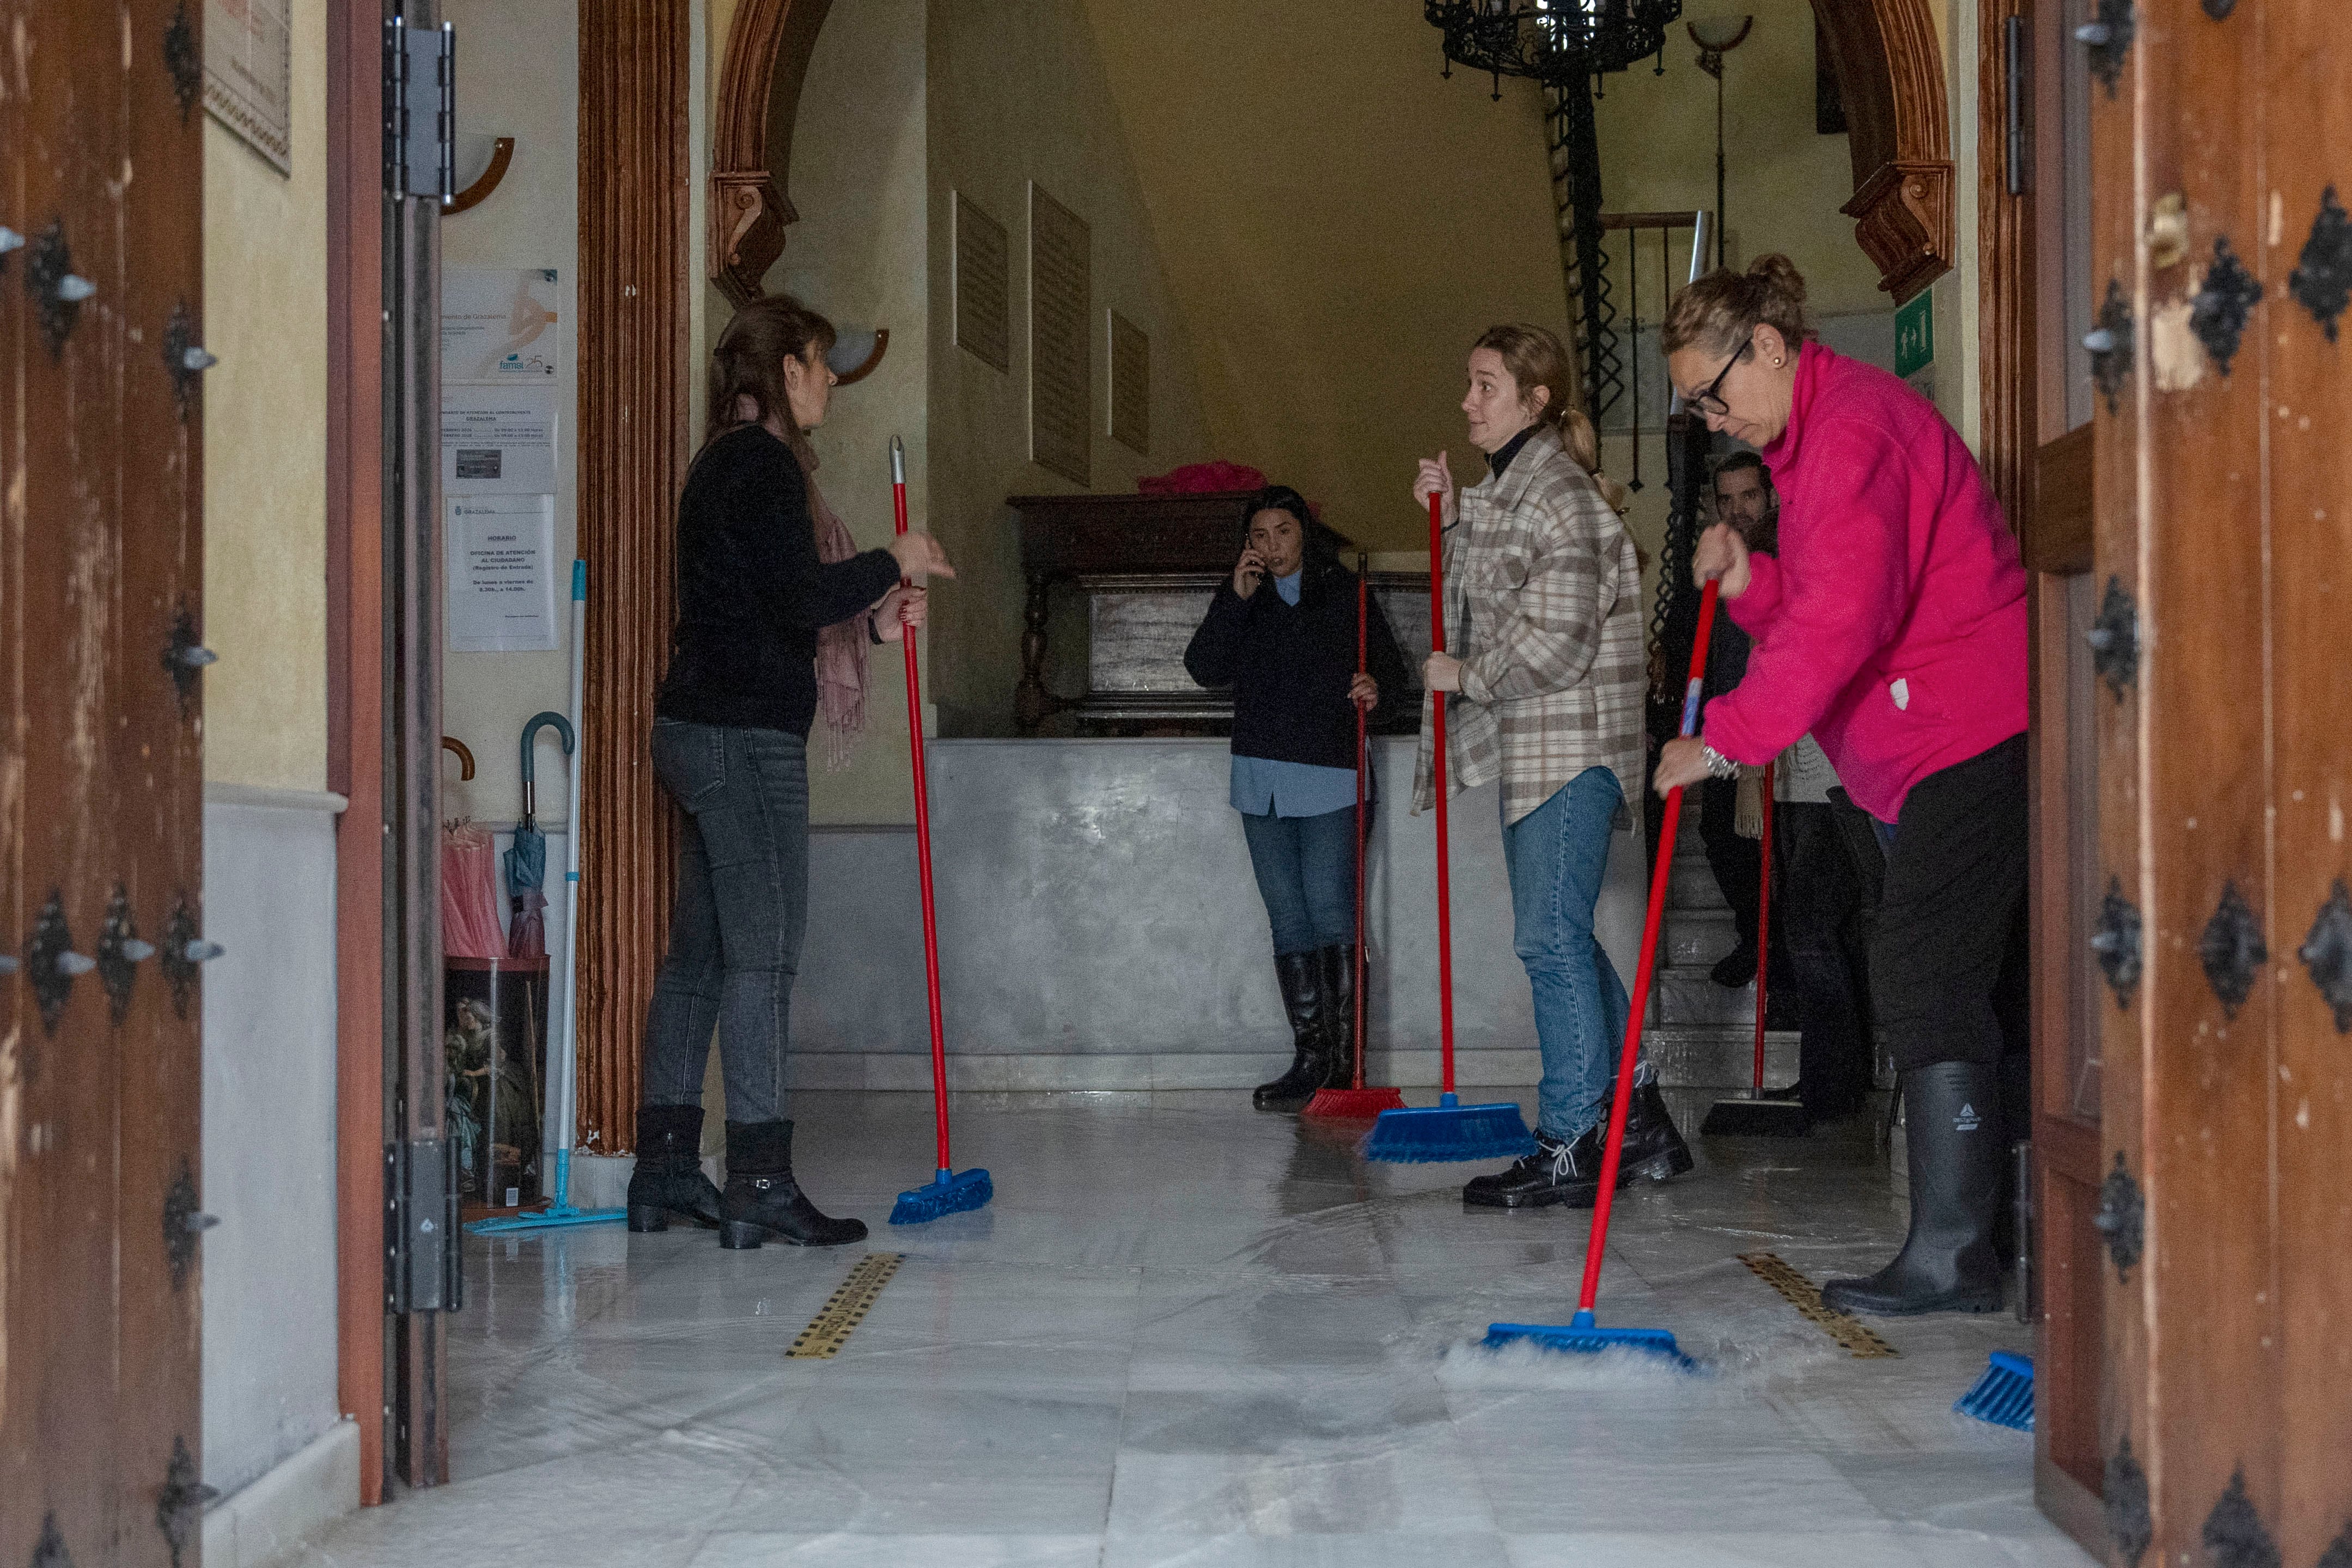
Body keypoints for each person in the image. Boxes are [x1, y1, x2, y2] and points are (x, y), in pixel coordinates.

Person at [1658, 255, 2029, 1314]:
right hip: (1933, 744)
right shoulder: (1815, 439)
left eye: (1713, 389)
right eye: (1695, 402)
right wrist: (1749, 582)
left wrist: (1721, 736)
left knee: (1917, 964)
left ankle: (1958, 1250)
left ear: (1767, 345)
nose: (1712, 414)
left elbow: (1838, 627)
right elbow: (1824, 601)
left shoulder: (1850, 433)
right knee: (1972, 976)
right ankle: (1989, 1239)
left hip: (1969, 730)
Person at [625, 294, 955, 1249]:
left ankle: (666, 1169)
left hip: (697, 725)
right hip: (741, 739)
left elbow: (774, 602)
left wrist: (880, 618)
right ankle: (759, 1177)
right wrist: (891, 558)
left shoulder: (722, 464)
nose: (831, 383)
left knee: (699, 956)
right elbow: (799, 591)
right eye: (819, 363)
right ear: (784, 370)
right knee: (763, 957)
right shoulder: (762, 466)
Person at [1413, 324, 1691, 1210]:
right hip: (1544, 749)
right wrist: (1454, 515)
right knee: (1560, 932)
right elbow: (1500, 582)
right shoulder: (1524, 486)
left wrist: (1469, 674)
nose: (1467, 401)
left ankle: (1572, 1136)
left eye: (1484, 384)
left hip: (1569, 747)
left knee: (1548, 937)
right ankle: (1636, 1111)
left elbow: (1556, 636)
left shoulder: (1557, 492)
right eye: (1469, 382)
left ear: (1533, 400)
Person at [1184, 487, 1410, 1112]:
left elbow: (1390, 678)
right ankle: (1309, 1061)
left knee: (1333, 915)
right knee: (1288, 920)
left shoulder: (1345, 594)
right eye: (1259, 535)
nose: (1271, 545)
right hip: (1261, 777)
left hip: (1331, 773)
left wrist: (1374, 687)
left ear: (1304, 534)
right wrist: (1234, 598)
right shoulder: (1243, 598)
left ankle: (1346, 1067)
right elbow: (1203, 666)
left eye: (1282, 531)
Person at [1696, 453, 1778, 991]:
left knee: (1776, 859)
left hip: (1775, 737)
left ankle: (1775, 960)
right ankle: (1756, 940)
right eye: (1726, 498)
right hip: (1725, 726)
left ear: (1768, 496)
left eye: (1747, 495)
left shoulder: (1779, 554)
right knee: (1719, 835)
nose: (1737, 508)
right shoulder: (1720, 555)